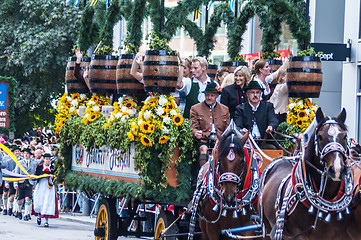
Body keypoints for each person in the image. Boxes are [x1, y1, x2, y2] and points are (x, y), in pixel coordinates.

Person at [190, 81, 230, 167]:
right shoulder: (195, 108)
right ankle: (203, 174)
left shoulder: (225, 109)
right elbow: (193, 127)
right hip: (204, 139)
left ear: (216, 96)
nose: (209, 98)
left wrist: (223, 138)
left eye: (212, 95)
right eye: (207, 95)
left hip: (220, 140)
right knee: (204, 149)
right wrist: (196, 133)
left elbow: (227, 128)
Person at [234, 81, 278, 149]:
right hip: (247, 143)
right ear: (247, 94)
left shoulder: (268, 107)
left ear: (260, 94)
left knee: (274, 149)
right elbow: (238, 125)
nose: (255, 95)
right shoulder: (240, 108)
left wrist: (271, 126)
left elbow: (273, 120)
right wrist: (242, 130)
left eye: (257, 92)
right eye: (252, 92)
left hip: (264, 142)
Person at [33, 153, 58, 227]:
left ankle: (46, 220)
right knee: (40, 201)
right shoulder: (40, 167)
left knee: (48, 201)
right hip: (41, 185)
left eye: (49, 159)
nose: (48, 160)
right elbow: (36, 175)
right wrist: (36, 177)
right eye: (46, 159)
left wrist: (52, 177)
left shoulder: (53, 167)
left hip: (49, 187)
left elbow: (56, 176)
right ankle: (39, 215)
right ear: (43, 159)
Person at [14, 148, 38, 221]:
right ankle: (19, 211)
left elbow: (35, 174)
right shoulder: (19, 162)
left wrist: (35, 182)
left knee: (28, 198)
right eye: (24, 153)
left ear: (30, 155)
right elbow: (16, 173)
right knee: (20, 199)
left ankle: (26, 214)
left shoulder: (34, 163)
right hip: (21, 182)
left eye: (27, 153)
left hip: (29, 183)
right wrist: (15, 183)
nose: (26, 155)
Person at [3, 145, 21, 216]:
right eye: (15, 151)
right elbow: (6, 172)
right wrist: (6, 182)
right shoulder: (8, 161)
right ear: (13, 153)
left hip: (19, 179)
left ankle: (15, 209)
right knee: (8, 194)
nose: (17, 152)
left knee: (17, 195)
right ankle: (6, 208)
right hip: (10, 179)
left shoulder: (21, 160)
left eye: (18, 151)